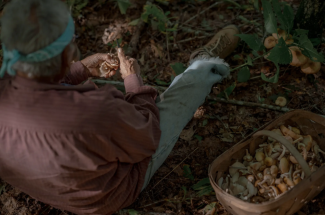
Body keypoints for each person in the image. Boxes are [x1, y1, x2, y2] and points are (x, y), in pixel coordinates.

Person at [0, 0, 239, 214]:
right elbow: (147, 135)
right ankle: (205, 65)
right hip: (106, 195)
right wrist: (134, 83)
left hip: (48, 189)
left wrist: (79, 69)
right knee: (170, 104)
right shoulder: (96, 108)